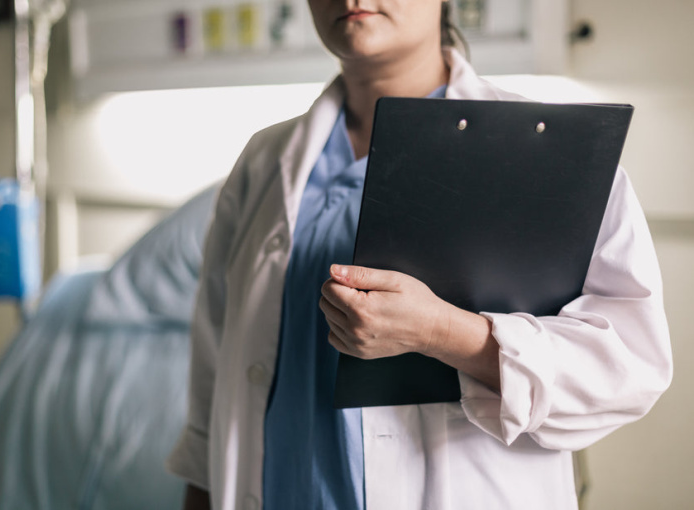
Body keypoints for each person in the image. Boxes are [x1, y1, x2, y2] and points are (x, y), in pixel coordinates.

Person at [167, 1, 673, 509]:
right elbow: (214, 372)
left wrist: (442, 333)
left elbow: (630, 367)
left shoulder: (553, 151)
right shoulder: (262, 160)